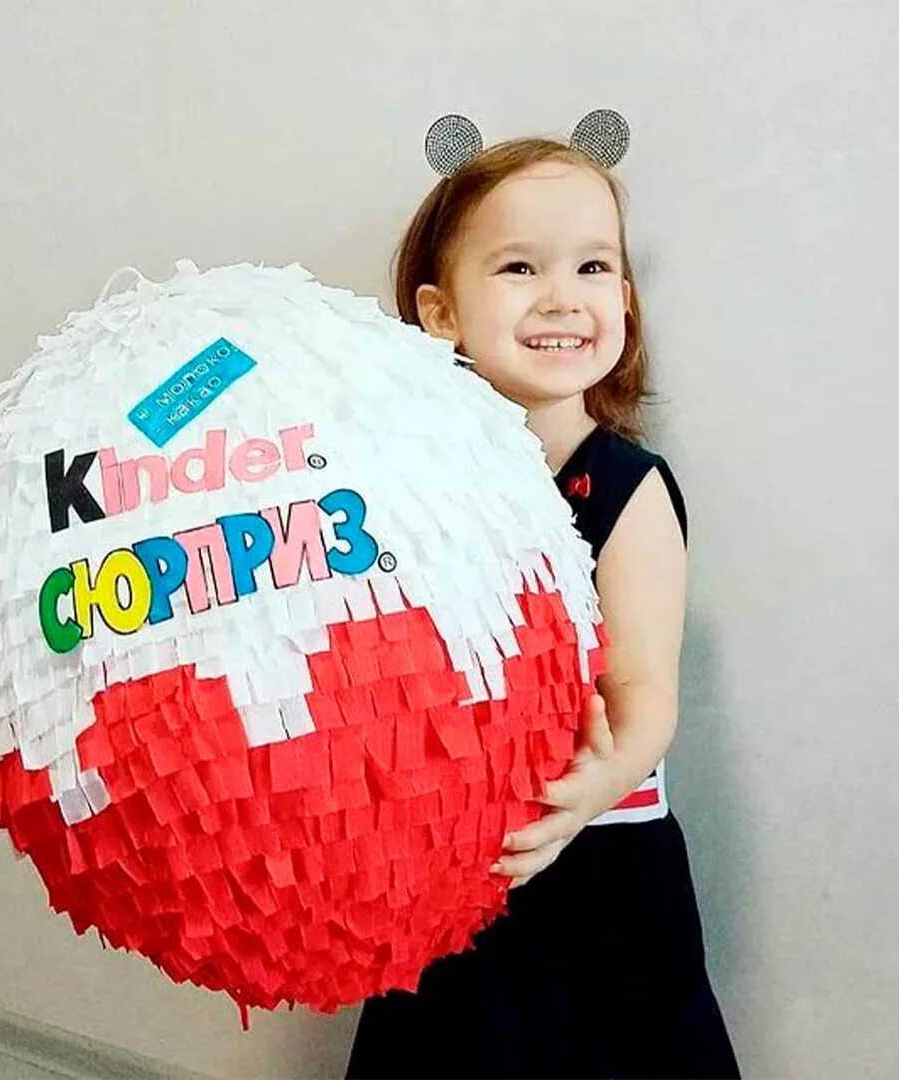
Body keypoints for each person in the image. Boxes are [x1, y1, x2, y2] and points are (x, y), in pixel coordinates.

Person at [345, 136, 740, 1078]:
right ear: (440, 313)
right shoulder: (415, 485)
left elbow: (645, 692)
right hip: (447, 858)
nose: (564, 297)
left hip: (595, 862)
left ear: (625, 301)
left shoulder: (626, 487)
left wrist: (589, 790)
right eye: (521, 268)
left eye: (593, 268)